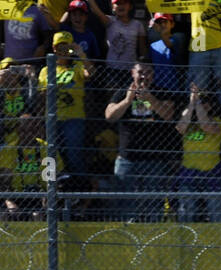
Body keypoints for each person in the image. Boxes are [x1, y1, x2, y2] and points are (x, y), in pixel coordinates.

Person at [104, 61, 178, 221]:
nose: (144, 76)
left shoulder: (161, 92)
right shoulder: (123, 92)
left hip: (154, 159)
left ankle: (153, 232)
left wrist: (150, 98)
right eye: (140, 72)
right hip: (127, 157)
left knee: (153, 203)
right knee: (124, 201)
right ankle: (125, 233)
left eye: (148, 72)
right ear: (132, 73)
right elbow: (109, 116)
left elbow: (169, 115)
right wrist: (127, 101)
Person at [38, 31, 93, 180]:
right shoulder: (45, 70)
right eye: (59, 47)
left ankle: (80, 189)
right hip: (52, 118)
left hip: (74, 118)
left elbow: (92, 73)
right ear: (54, 48)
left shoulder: (77, 67)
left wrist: (81, 53)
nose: (63, 51)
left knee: (73, 153)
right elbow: (42, 97)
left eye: (66, 47)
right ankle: (51, 188)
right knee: (51, 155)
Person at [175, 83, 221, 222]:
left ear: (209, 105)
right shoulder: (187, 118)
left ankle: (218, 237)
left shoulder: (217, 121)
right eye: (198, 101)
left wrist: (196, 104)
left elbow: (206, 126)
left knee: (215, 210)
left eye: (202, 102)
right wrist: (192, 104)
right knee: (187, 210)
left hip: (212, 171)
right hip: (189, 171)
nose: (199, 104)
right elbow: (180, 128)